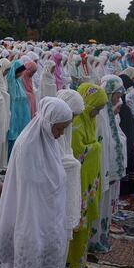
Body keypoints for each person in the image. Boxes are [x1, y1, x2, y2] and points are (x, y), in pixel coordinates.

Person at [0, 97, 73, 268]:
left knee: (45, 267)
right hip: (30, 216)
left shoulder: (48, 142)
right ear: (49, 123)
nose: (60, 134)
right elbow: (30, 188)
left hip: (46, 217)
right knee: (30, 264)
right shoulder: (28, 145)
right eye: (59, 129)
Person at [66, 83, 107, 268]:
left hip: (88, 182)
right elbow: (78, 154)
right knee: (74, 221)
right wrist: (95, 147)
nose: (97, 113)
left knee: (84, 222)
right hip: (76, 183)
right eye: (96, 109)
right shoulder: (75, 124)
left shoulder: (88, 121)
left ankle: (78, 260)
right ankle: (69, 260)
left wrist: (94, 147)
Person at [91, 76, 126, 252]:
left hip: (108, 167)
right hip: (99, 167)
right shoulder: (99, 115)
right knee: (97, 203)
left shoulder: (109, 113)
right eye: (117, 94)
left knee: (104, 204)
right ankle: (92, 238)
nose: (119, 98)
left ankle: (100, 235)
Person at [56, 89, 85, 241]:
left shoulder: (64, 129)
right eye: (72, 116)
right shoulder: (51, 130)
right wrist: (73, 164)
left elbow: (66, 151)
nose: (72, 121)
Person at [7, 61, 31, 156]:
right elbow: (12, 97)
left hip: (21, 112)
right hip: (14, 111)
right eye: (20, 72)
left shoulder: (18, 81)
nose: (21, 74)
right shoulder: (11, 81)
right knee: (13, 135)